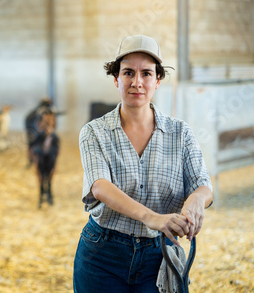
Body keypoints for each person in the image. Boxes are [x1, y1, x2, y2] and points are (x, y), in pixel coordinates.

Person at [73, 35, 213, 292]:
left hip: (159, 255)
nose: (137, 82)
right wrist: (153, 218)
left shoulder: (180, 133)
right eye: (128, 73)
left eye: (146, 74)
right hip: (102, 254)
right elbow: (100, 187)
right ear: (116, 79)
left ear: (157, 81)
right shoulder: (95, 132)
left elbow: (204, 186)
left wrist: (196, 200)